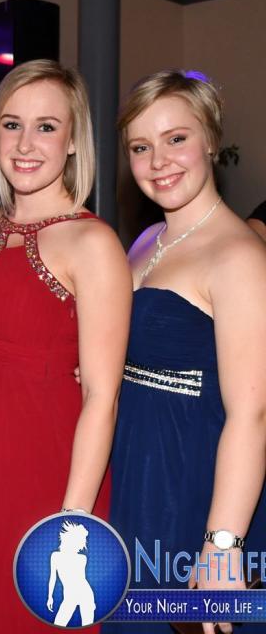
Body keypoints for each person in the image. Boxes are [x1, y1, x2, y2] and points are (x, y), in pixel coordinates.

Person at [0, 59, 131, 633]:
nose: (25, 144)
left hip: (47, 474)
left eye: (47, 127)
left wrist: (71, 525)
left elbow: (102, 396)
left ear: (73, 141)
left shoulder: (92, 242)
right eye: (12, 124)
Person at [104, 70, 266, 634]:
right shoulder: (146, 240)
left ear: (211, 140)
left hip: (191, 492)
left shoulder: (239, 256)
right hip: (136, 476)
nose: (158, 161)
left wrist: (222, 545)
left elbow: (252, 414)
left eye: (176, 138)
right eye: (140, 147)